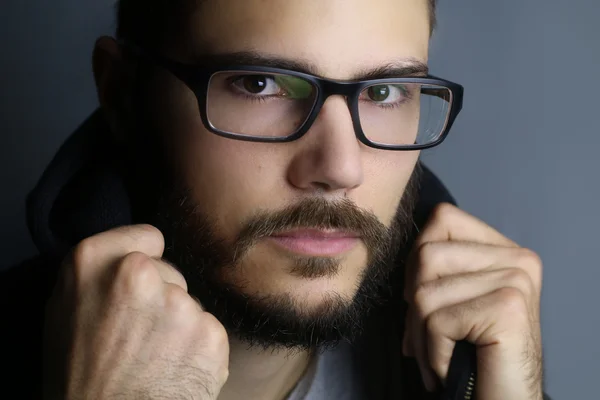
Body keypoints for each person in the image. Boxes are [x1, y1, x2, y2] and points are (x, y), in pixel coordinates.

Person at [0, 0, 552, 399]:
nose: (340, 169)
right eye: (261, 84)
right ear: (124, 95)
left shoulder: (476, 366)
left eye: (384, 93)